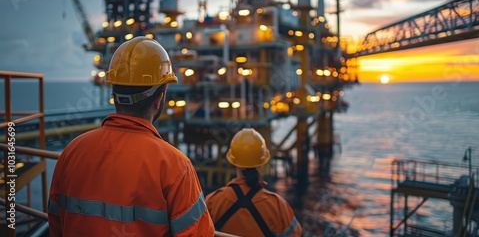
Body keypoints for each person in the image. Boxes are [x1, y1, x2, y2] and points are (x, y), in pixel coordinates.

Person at [48, 37, 215, 236]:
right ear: (160, 98)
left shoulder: (71, 153)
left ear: (114, 90)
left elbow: (56, 222)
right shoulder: (176, 167)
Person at [206, 128, 302, 237]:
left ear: (233, 161)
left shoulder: (213, 201)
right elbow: (295, 234)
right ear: (261, 163)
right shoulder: (277, 205)